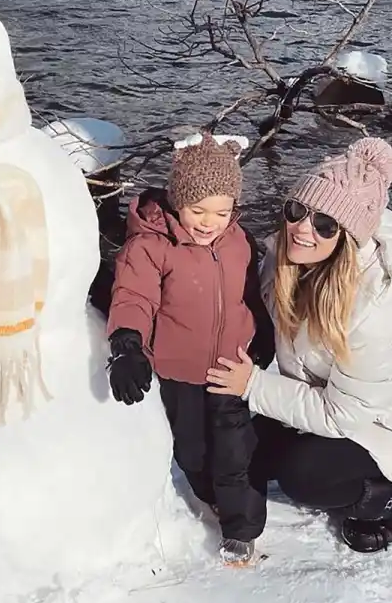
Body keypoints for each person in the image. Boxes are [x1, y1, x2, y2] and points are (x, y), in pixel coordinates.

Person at [206, 137, 392, 553]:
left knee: (305, 475)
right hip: (327, 399)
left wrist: (253, 386)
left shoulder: (376, 310)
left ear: (348, 237)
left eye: (325, 225)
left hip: (386, 423)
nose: (303, 229)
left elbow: (344, 416)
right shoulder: (286, 260)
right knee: (238, 439)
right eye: (296, 211)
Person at [105, 132, 275, 566]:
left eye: (221, 211)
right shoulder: (150, 246)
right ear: (178, 202)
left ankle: (241, 527)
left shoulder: (238, 240)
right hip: (180, 370)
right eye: (198, 210)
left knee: (235, 449)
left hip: (230, 367)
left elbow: (249, 292)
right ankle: (207, 492)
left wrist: (264, 329)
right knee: (193, 451)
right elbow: (134, 298)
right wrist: (128, 344)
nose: (208, 222)